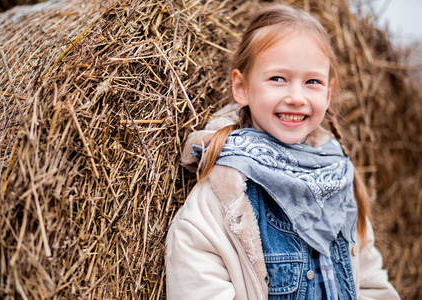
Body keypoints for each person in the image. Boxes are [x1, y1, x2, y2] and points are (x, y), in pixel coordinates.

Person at [165, 4, 400, 300]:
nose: (296, 97)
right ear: (241, 87)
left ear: (328, 95)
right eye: (278, 79)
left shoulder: (339, 183)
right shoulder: (222, 200)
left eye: (312, 82)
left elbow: (370, 284)